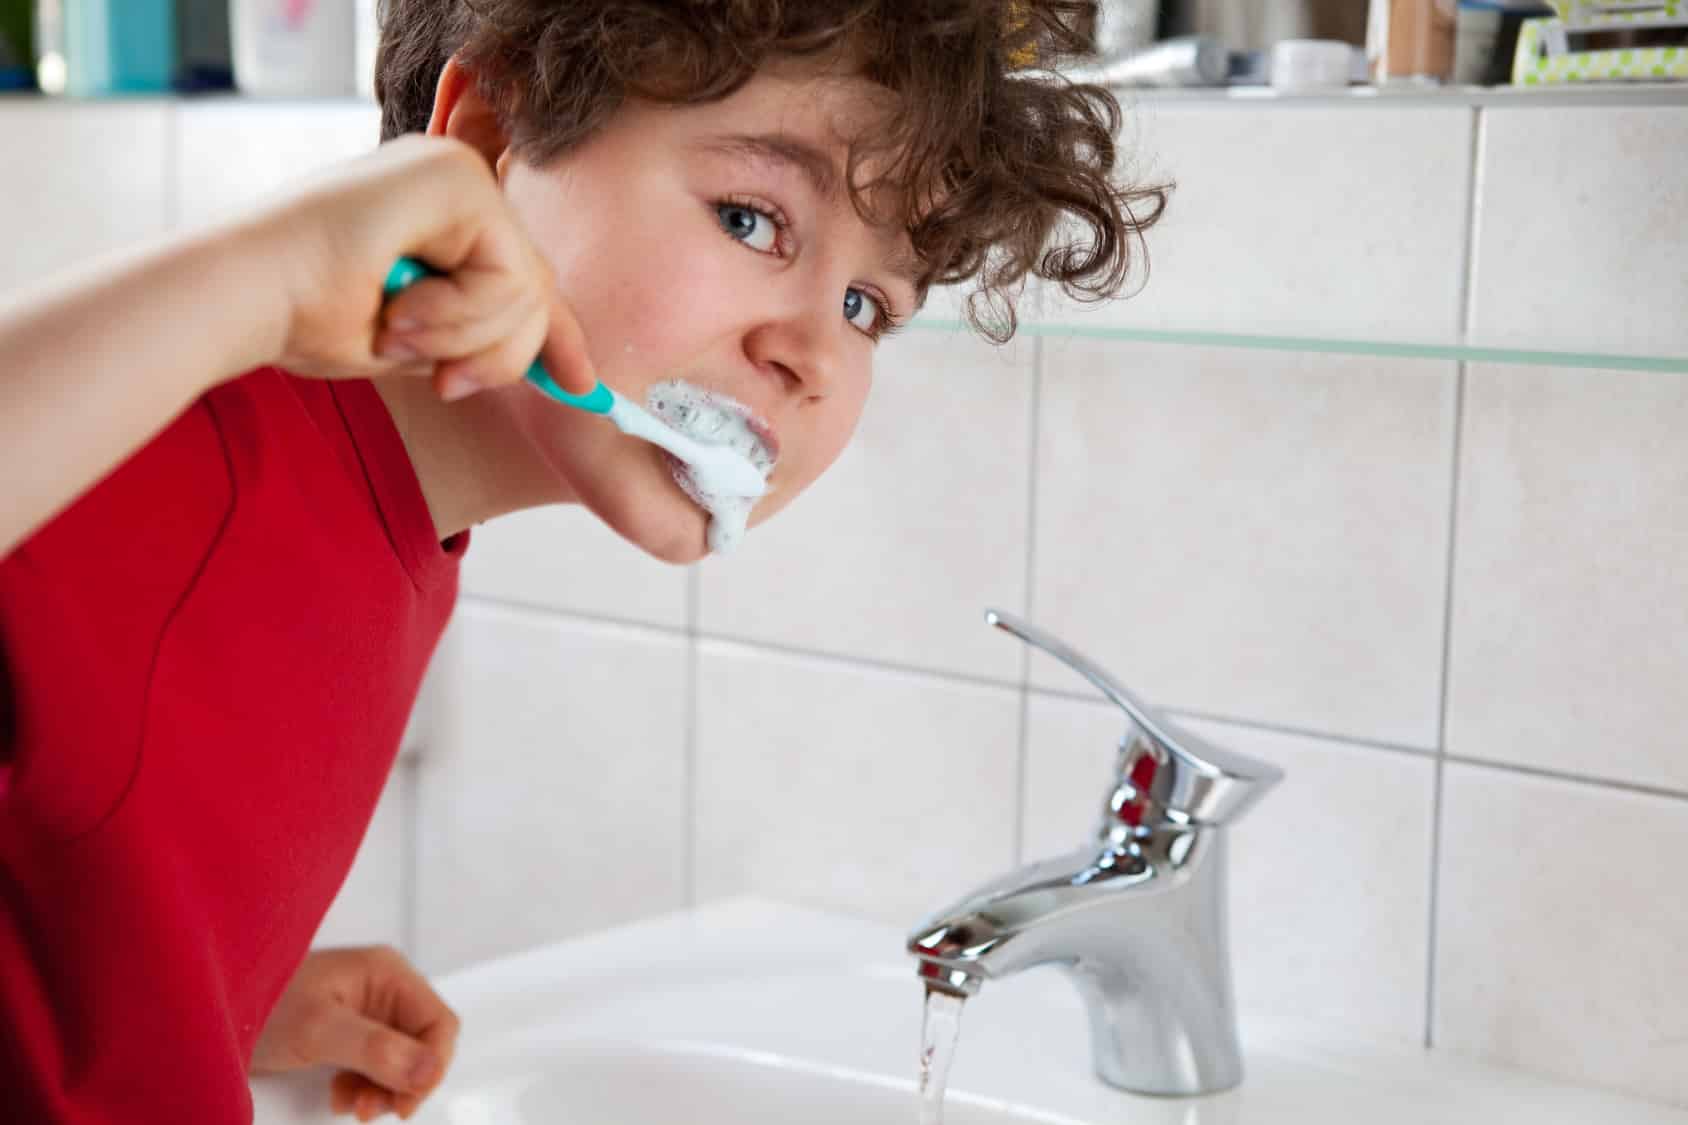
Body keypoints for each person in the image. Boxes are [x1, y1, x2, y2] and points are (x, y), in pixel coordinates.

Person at [0, 1, 1166, 1120]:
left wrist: (176, 1006)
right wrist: (264, 271)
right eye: (751, 220)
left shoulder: (387, 521)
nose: (813, 351)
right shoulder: (175, 466)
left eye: (868, 304)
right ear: (484, 142)